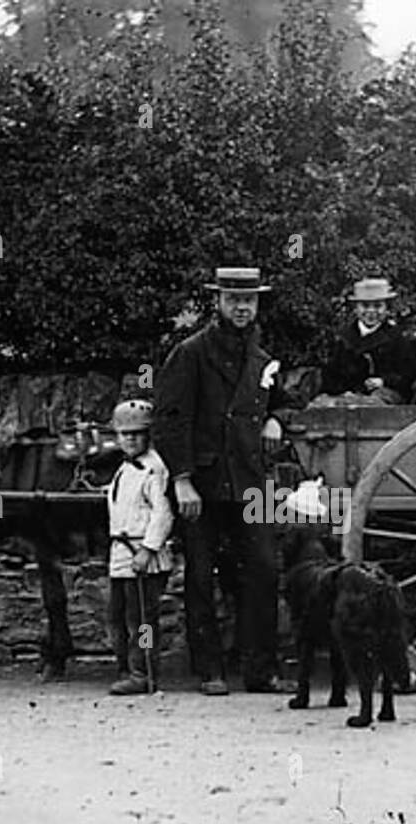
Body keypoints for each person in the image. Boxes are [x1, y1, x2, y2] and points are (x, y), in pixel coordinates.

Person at [153, 266, 293, 695]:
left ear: (257, 304)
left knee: (265, 569)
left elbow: (287, 402)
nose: (241, 307)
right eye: (233, 299)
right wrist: (181, 479)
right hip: (204, 484)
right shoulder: (190, 353)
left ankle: (261, 670)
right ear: (218, 302)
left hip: (252, 482)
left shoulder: (263, 358)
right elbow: (170, 419)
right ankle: (210, 670)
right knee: (201, 574)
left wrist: (275, 419)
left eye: (248, 300)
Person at [106, 399, 174, 695]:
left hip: (142, 555)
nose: (131, 439)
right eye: (125, 434)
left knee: (142, 621)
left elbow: (163, 513)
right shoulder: (125, 468)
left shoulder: (154, 469)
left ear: (149, 435)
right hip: (121, 553)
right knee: (118, 616)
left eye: (137, 433)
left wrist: (148, 549)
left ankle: (143, 672)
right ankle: (126, 666)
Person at [322, 278, 416, 402]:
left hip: (386, 397)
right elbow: (331, 374)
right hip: (348, 396)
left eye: (378, 306)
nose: (371, 311)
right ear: (356, 308)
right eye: (365, 306)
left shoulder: (396, 337)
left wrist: (383, 381)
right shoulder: (343, 337)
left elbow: (408, 373)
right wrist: (344, 392)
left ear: (386, 308)